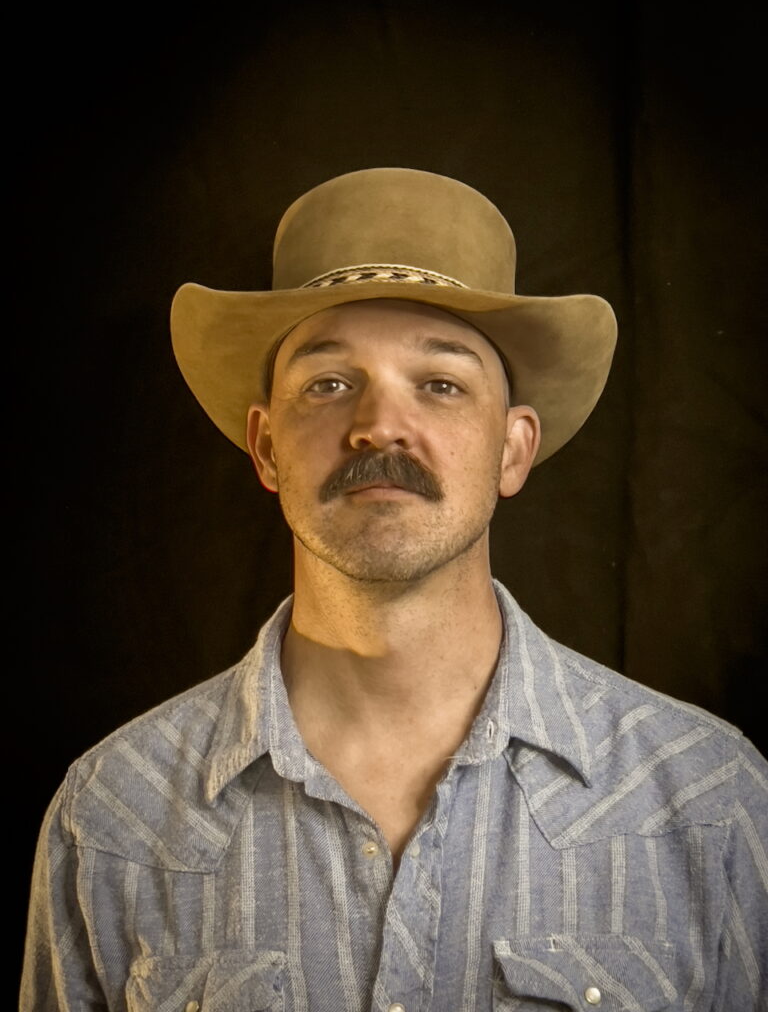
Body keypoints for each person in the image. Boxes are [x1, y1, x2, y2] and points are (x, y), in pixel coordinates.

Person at [21, 167, 767, 1012]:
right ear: (265, 448)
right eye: (328, 383)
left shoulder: (709, 807)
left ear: (513, 451)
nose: (379, 424)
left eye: (441, 384)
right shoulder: (114, 818)